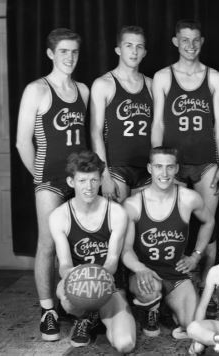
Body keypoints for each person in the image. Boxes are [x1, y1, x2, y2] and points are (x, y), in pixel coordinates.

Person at [15, 28, 88, 341]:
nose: (69, 57)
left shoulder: (83, 90)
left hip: (80, 178)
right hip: (50, 178)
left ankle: (82, 308)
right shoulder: (37, 89)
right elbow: (22, 142)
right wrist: (39, 177)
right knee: (47, 242)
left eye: (74, 51)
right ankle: (48, 311)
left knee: (81, 242)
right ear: (50, 54)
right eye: (63, 52)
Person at [150, 19, 219, 288]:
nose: (190, 45)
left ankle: (208, 285)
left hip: (206, 161)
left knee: (210, 223)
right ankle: (177, 283)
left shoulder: (213, 77)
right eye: (185, 40)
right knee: (174, 226)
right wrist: (156, 162)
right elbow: (157, 123)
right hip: (174, 163)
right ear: (175, 42)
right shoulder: (163, 76)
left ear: (202, 42)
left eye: (195, 40)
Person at [121, 147, 215, 339]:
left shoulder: (188, 198)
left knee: (193, 327)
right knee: (151, 290)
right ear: (149, 168)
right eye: (158, 167)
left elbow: (209, 221)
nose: (164, 173)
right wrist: (140, 268)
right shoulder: (133, 204)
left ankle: (166, 305)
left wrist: (196, 256)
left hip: (176, 274)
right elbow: (126, 250)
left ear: (176, 169)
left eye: (169, 167)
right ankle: (150, 308)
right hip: (147, 274)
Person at [49, 150, 135, 352]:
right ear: (71, 182)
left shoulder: (116, 212)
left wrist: (97, 284)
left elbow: (112, 261)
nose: (88, 187)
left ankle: (94, 317)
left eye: (94, 180)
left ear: (100, 180)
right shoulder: (59, 216)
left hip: (108, 283)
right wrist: (79, 281)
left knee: (126, 344)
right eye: (82, 181)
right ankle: (84, 317)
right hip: (77, 283)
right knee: (64, 292)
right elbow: (64, 264)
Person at [90, 25, 153, 203]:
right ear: (118, 50)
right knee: (119, 227)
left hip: (146, 168)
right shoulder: (103, 84)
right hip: (117, 168)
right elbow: (96, 132)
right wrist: (104, 175)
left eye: (139, 46)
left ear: (145, 52)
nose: (134, 51)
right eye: (129, 45)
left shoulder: (151, 84)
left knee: (146, 229)